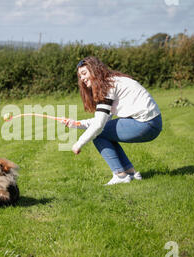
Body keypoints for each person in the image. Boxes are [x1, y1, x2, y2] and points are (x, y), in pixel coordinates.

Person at [62, 56, 162, 185]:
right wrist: (75, 124)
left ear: (94, 71)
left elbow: (99, 125)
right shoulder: (112, 81)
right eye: (80, 76)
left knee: (99, 133)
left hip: (145, 124)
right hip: (153, 123)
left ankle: (120, 175)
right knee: (103, 130)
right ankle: (130, 173)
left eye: (84, 73)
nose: (82, 78)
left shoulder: (107, 87)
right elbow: (102, 120)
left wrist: (79, 144)